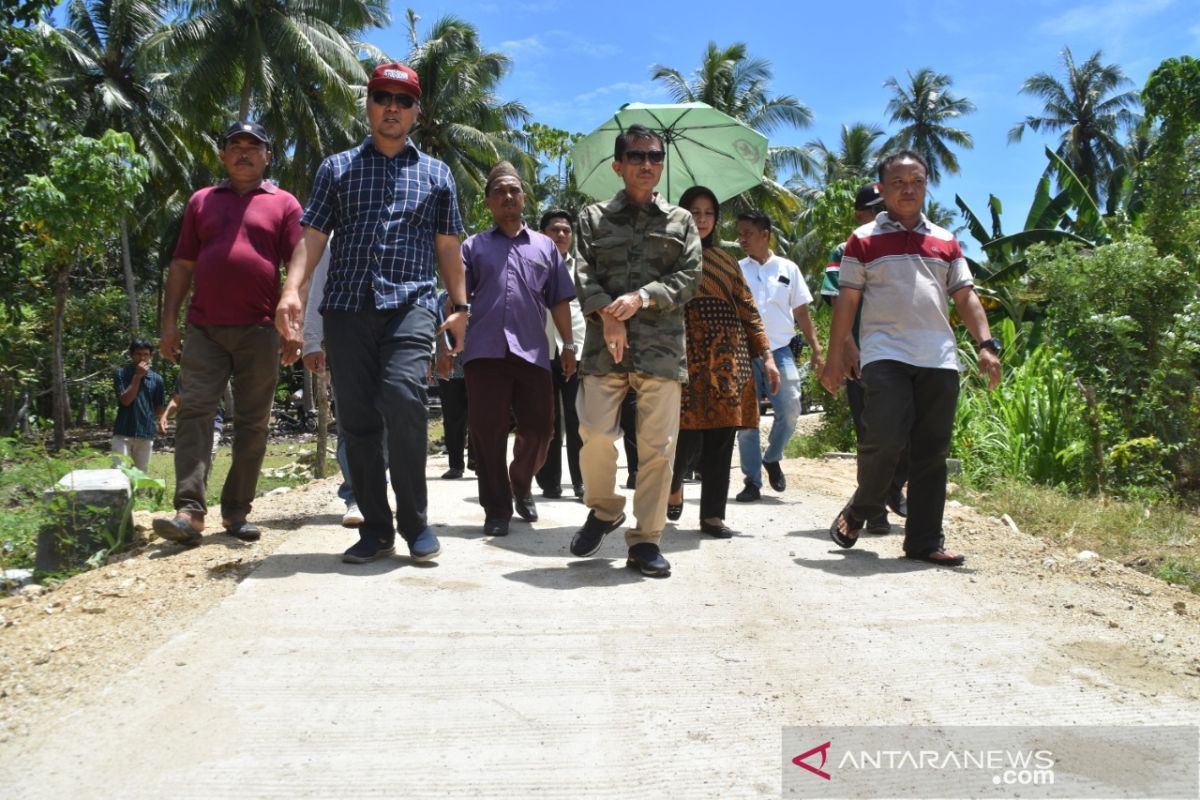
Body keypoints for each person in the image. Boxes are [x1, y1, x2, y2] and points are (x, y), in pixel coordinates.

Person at [275, 62, 469, 565]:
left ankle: (416, 523)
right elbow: (312, 237)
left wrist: (461, 306)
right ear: (368, 103)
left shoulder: (437, 174)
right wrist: (292, 291)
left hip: (411, 304)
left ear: (416, 112)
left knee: (404, 398)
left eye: (404, 100)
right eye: (383, 96)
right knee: (358, 422)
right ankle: (377, 531)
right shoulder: (336, 168)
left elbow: (448, 248)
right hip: (346, 307)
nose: (392, 107)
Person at [821, 150, 1002, 567]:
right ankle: (863, 506)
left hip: (939, 357)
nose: (908, 189)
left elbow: (965, 296)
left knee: (930, 452)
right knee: (883, 437)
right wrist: (835, 357)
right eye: (898, 182)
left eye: (916, 181)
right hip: (884, 354)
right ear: (881, 189)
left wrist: (986, 345)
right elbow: (846, 302)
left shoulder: (946, 240)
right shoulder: (862, 240)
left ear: (925, 186)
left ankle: (923, 540)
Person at [154, 120, 302, 547]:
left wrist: (293, 325)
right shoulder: (201, 201)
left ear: (267, 156)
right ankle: (189, 512)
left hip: (260, 329)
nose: (243, 153)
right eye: (234, 146)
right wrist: (169, 322)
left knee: (253, 423)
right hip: (204, 328)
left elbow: (297, 268)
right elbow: (182, 264)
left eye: (252, 147)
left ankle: (237, 511)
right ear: (222, 155)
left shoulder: (284, 204)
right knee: (195, 412)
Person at [570, 123, 703, 578]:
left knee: (657, 449)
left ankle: (646, 540)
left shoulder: (681, 222)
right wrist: (608, 314)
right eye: (637, 156)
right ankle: (605, 509)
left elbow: (689, 278)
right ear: (618, 165)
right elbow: (582, 270)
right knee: (595, 435)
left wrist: (642, 298)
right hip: (603, 349)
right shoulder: (592, 218)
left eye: (654, 157)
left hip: (661, 351)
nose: (647, 164)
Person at [460, 162, 577, 537]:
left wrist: (569, 344)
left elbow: (559, 299)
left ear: (524, 197)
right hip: (484, 352)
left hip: (532, 351)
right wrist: (448, 346)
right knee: (486, 433)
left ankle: (521, 480)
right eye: (500, 192)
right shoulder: (473, 246)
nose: (508, 197)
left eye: (514, 190)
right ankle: (496, 509)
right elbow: (458, 301)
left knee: (542, 430)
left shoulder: (545, 246)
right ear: (488, 202)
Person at [666, 186, 779, 538]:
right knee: (681, 434)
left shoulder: (728, 260)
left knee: (721, 437)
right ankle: (673, 486)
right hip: (683, 355)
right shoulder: (666, 257)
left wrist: (767, 356)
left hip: (728, 360)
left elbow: (748, 308)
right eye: (694, 212)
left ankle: (712, 515)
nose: (701, 219)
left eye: (708, 213)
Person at [820, 184, 909, 534]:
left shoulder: (907, 248)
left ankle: (891, 488)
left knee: (911, 431)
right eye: (876, 209)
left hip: (906, 355)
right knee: (871, 434)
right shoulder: (844, 250)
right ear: (860, 216)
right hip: (864, 356)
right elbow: (834, 302)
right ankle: (874, 510)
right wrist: (845, 347)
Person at [734, 210, 824, 503]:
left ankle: (772, 457)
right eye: (739, 232)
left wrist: (816, 348)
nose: (741, 238)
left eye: (747, 232)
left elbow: (801, 312)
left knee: (791, 408)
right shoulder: (736, 270)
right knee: (747, 420)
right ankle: (752, 481)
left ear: (764, 234)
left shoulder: (788, 268)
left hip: (782, 350)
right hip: (745, 351)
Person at [534, 209, 586, 500]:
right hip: (539, 350)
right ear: (543, 233)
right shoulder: (530, 266)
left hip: (576, 350)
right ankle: (549, 482)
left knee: (579, 420)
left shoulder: (581, 269)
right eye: (555, 229)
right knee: (546, 420)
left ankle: (581, 482)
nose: (562, 235)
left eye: (567, 230)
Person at [111, 338, 166, 473]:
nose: (142, 358)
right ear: (131, 355)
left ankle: (139, 496)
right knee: (120, 473)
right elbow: (125, 400)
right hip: (123, 433)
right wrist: (137, 377)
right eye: (138, 354)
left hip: (145, 434)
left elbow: (158, 405)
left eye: (146, 354)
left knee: (141, 476)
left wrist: (161, 420)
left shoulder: (157, 379)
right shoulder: (121, 374)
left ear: (151, 356)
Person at [433, 291, 471, 481]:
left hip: (477, 365)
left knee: (480, 416)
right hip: (449, 367)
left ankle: (477, 459)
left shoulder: (479, 294)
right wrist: (437, 357)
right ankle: (455, 465)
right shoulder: (439, 298)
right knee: (452, 417)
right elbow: (435, 330)